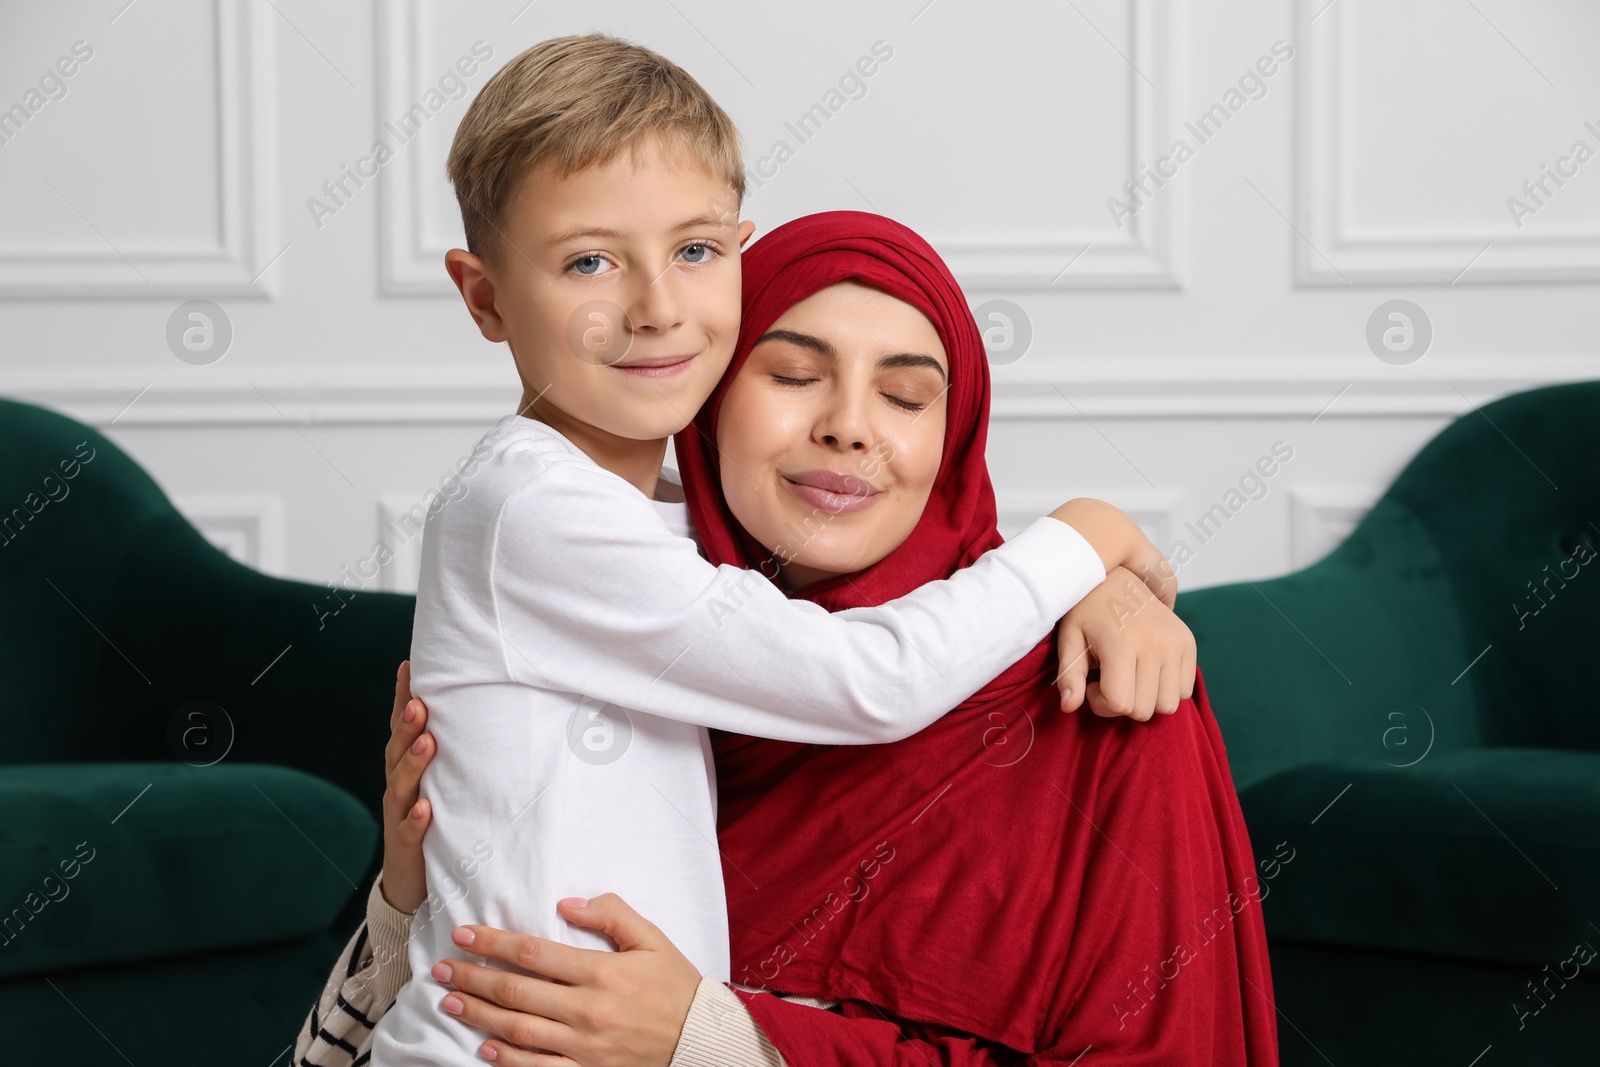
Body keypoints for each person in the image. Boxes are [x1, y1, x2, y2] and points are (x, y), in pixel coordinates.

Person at [345, 34, 1183, 1067]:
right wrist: (1085, 534)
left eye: (694, 252)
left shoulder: (683, 548)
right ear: (484, 297)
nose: (655, 306)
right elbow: (866, 678)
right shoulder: (538, 508)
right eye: (589, 261)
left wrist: (1095, 590)